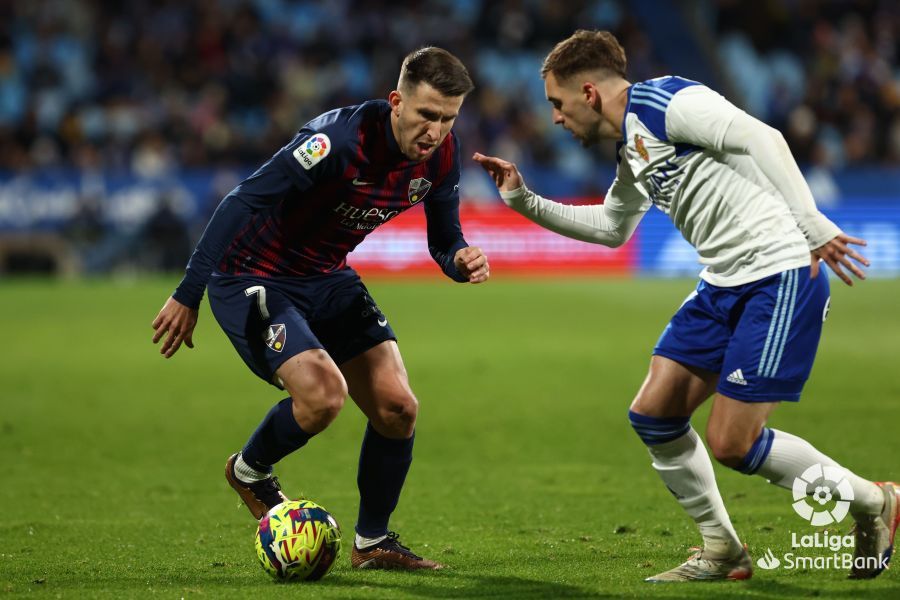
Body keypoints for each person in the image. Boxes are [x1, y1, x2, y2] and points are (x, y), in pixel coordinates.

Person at [474, 30, 897, 582]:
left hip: (780, 273)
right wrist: (524, 201)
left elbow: (763, 137)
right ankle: (722, 548)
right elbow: (611, 227)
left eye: (557, 103)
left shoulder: (668, 101)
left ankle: (875, 502)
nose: (555, 117)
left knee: (731, 442)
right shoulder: (632, 144)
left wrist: (812, 223)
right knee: (655, 414)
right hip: (723, 282)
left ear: (588, 92)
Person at [152, 47, 489, 571]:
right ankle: (249, 471)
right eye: (426, 115)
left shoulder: (443, 157)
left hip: (326, 276)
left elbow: (444, 240)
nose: (435, 131)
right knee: (322, 398)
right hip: (252, 274)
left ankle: (373, 544)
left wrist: (458, 261)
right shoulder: (338, 142)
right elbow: (241, 200)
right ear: (397, 102)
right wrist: (188, 292)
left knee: (399, 408)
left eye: (448, 119)